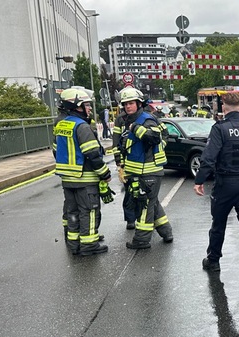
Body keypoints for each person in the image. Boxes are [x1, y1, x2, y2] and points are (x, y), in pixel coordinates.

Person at [194, 92, 239, 282]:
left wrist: (200, 180)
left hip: (225, 184)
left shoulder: (220, 129)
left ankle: (213, 260)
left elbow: (209, 157)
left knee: (218, 223)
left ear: (223, 109)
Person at [52, 87, 112, 256]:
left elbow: (56, 151)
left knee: (72, 212)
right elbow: (92, 154)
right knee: (89, 211)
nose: (89, 108)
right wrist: (105, 173)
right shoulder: (82, 126)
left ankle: (74, 244)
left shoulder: (61, 125)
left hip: (67, 179)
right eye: (86, 105)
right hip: (84, 178)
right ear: (76, 106)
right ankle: (89, 245)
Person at [117, 87, 174, 249]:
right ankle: (166, 232)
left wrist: (135, 128)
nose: (128, 106)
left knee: (145, 205)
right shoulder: (129, 120)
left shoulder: (146, 119)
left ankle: (141, 240)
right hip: (138, 172)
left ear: (139, 103)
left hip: (149, 172)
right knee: (152, 203)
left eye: (131, 103)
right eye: (125, 104)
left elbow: (155, 137)